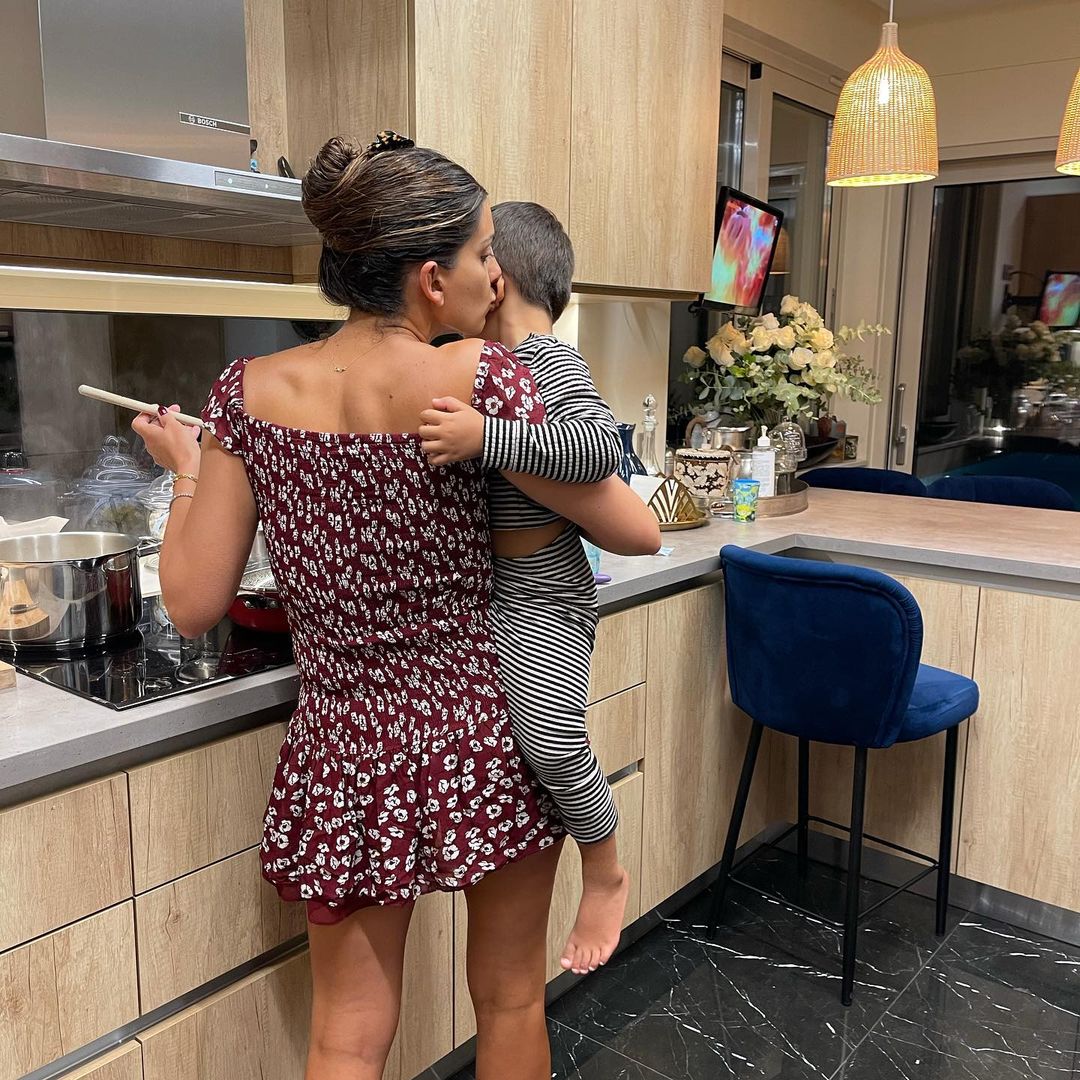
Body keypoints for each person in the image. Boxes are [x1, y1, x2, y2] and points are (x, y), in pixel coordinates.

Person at [132, 132, 658, 1080]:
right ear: (430, 278)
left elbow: (194, 602)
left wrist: (186, 469)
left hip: (344, 744)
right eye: (483, 253)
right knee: (510, 999)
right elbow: (629, 526)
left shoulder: (246, 396)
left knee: (345, 1035)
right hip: (482, 729)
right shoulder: (485, 380)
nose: (494, 277)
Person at [418, 201, 649, 977]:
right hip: (493, 592)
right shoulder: (477, 362)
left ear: (497, 276)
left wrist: (485, 438)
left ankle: (604, 865)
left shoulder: (550, 361)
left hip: (546, 592)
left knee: (551, 738)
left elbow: (596, 450)